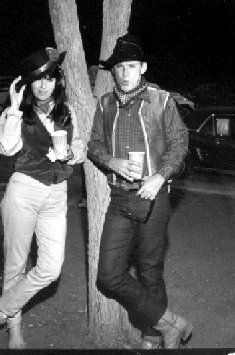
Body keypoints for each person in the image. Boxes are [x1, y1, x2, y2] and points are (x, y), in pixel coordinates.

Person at [87, 33, 192, 349]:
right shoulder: (105, 104)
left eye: (131, 66)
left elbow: (180, 144)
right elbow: (94, 145)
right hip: (119, 198)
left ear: (142, 67)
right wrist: (112, 162)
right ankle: (171, 323)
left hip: (152, 198)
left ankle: (151, 335)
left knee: (150, 272)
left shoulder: (161, 101)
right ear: (114, 71)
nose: (125, 73)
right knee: (107, 276)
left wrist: (159, 176)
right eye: (119, 67)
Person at [0, 47, 86, 348]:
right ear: (28, 84)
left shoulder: (68, 111)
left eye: (49, 79)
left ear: (57, 82)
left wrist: (72, 153)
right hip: (24, 191)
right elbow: (6, 147)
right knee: (15, 265)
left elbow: (78, 146)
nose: (43, 85)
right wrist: (13, 108)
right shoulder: (18, 113)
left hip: (56, 195)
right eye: (37, 80)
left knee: (51, 268)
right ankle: (15, 331)